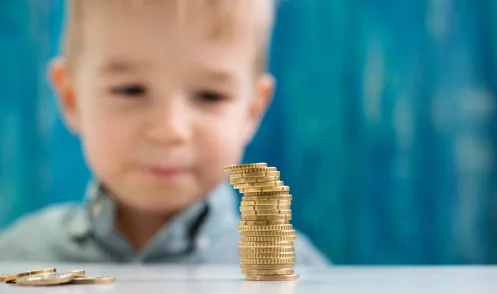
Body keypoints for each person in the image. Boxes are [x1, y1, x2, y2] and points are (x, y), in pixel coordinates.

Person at [0, 0, 329, 265]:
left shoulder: (294, 272)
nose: (169, 130)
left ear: (252, 111)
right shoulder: (17, 261)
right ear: (71, 99)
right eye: (130, 90)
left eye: (209, 96)